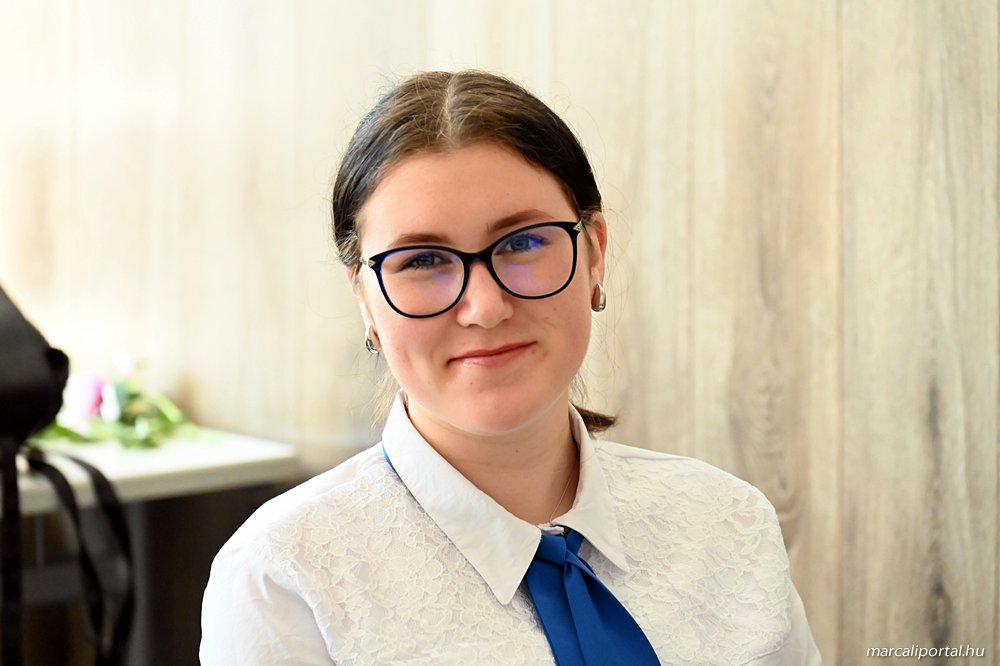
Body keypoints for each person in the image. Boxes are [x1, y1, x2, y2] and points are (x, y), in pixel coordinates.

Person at [201, 70, 822, 665]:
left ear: (595, 253)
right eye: (422, 260)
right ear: (365, 297)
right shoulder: (284, 579)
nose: (485, 307)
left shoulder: (728, 520)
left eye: (523, 243)